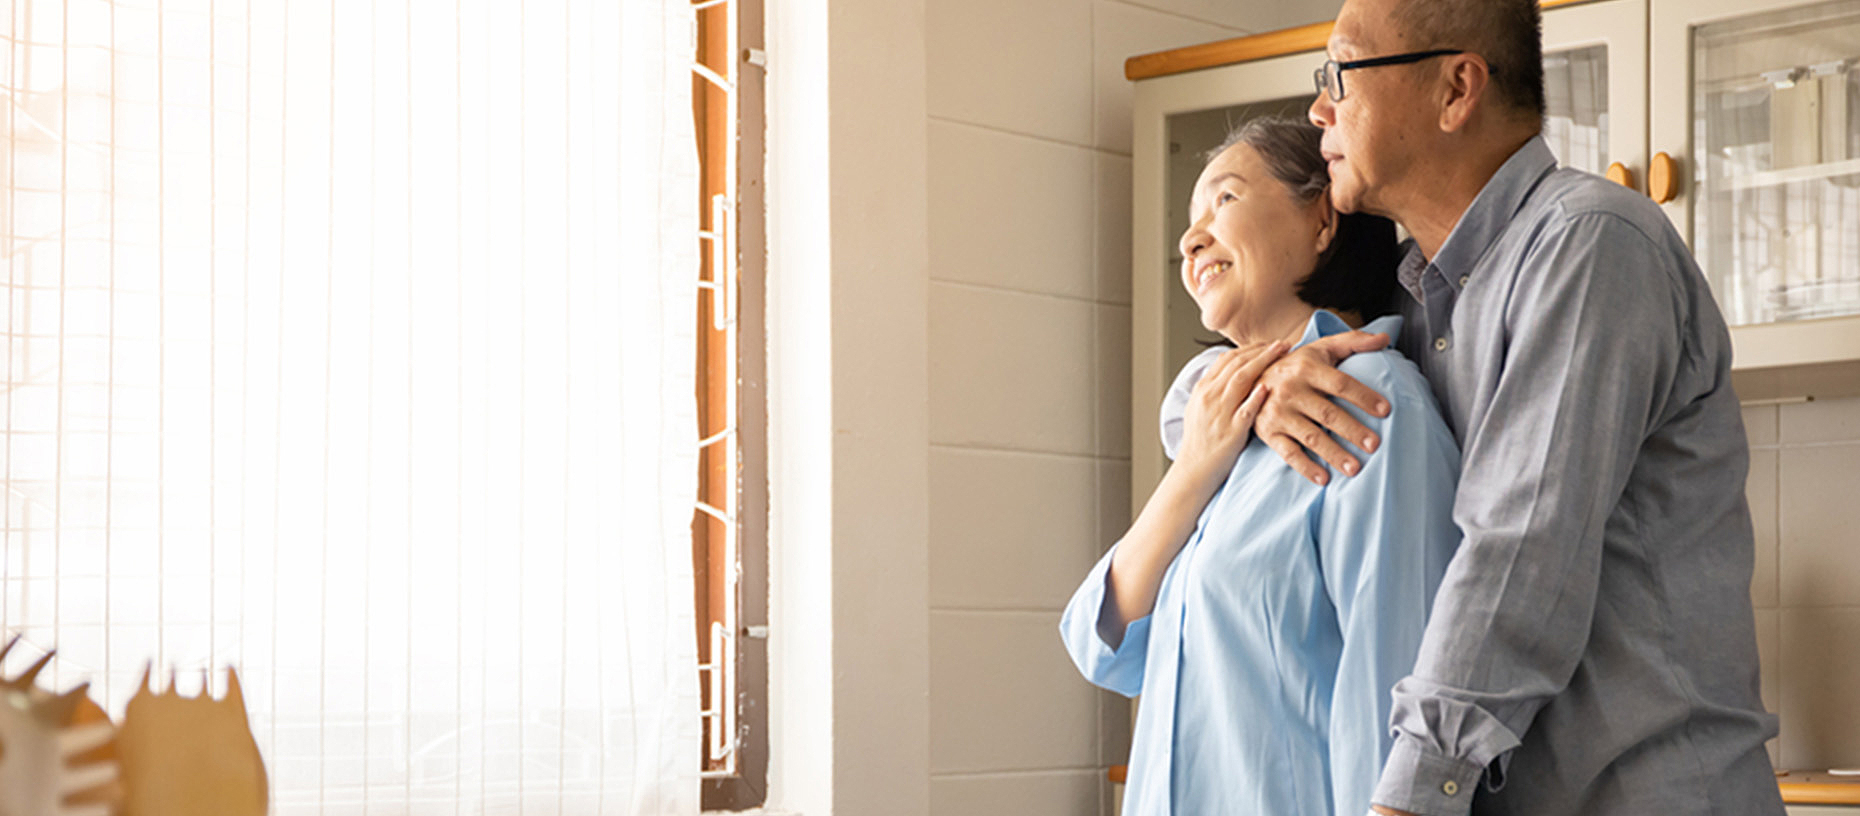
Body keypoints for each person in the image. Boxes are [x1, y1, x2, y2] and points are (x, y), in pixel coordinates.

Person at [1246, 0, 1786, 814]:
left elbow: (1521, 549)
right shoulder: (1409, 298)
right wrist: (1262, 398)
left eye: (1342, 73)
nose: (1320, 109)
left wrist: (1407, 798)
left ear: (1456, 89)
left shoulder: (1593, 243)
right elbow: (1204, 398)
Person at [1059, 116, 1461, 816]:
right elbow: (1104, 646)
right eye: (1190, 220)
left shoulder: (1370, 405)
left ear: (1320, 218)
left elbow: (1392, 700)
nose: (1190, 238)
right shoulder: (1219, 428)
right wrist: (1194, 468)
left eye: (1225, 199)